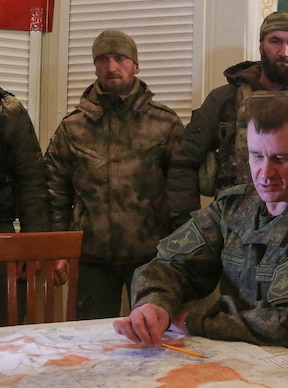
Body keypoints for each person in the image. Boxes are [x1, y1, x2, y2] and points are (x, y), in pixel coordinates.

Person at [114, 95, 288, 348]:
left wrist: (194, 319)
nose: (265, 173)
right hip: (240, 359)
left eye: (280, 159)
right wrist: (155, 303)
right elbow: (171, 262)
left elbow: (284, 322)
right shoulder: (234, 205)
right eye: (256, 156)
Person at [167, 11, 288, 227]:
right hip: (234, 225)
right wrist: (186, 226)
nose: (284, 52)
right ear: (261, 45)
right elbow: (183, 162)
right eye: (275, 41)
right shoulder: (223, 100)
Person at [45, 29, 184, 319]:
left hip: (152, 256)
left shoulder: (165, 123)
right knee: (92, 344)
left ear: (135, 65)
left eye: (120, 59)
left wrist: (179, 251)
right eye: (103, 59)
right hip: (92, 257)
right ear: (95, 66)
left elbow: (181, 192)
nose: (111, 67)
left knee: (153, 340)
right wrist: (60, 249)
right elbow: (56, 191)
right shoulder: (73, 127)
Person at [0, 87, 49, 325]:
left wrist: (32, 247)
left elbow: (32, 182)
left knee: (7, 332)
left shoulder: (9, 111)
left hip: (2, 237)